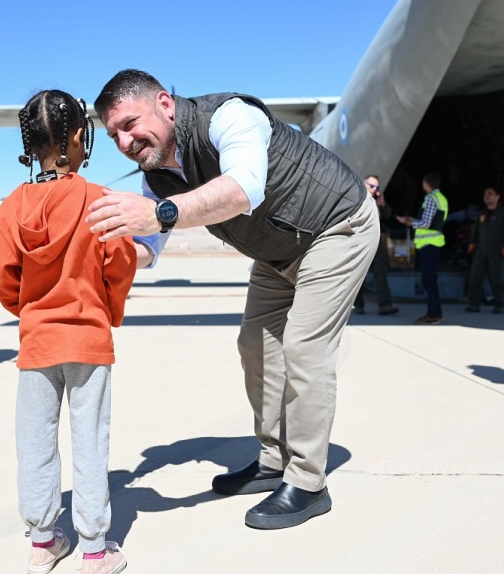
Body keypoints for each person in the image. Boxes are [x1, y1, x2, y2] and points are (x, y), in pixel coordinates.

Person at [88, 70, 378, 530]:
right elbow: (148, 248)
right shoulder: (157, 178)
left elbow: (244, 188)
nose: (124, 141)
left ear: (164, 103)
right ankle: (272, 460)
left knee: (304, 348)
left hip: (335, 227)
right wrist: (99, 254)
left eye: (128, 123)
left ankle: (307, 482)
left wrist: (160, 214)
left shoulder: (228, 116)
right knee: (256, 347)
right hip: (277, 250)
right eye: (112, 135)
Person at [0, 90, 135, 574]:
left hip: (37, 341)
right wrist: (106, 312)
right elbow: (120, 265)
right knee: (91, 441)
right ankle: (95, 549)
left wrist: (27, 310)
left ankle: (42, 541)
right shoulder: (99, 201)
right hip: (88, 339)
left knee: (34, 441)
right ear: (78, 137)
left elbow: (2, 275)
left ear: (30, 143)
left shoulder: (12, 206)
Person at [397, 173, 448, 324]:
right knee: (431, 280)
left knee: (429, 281)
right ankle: (435, 313)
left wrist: (410, 223)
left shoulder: (431, 199)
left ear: (426, 184)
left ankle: (433, 315)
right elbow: (433, 221)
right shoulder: (441, 199)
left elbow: (425, 224)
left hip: (428, 244)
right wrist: (412, 220)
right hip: (434, 243)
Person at [354, 175, 399, 316]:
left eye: (377, 187)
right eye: (372, 186)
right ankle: (358, 304)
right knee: (357, 274)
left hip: (375, 239)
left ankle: (385, 305)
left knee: (380, 272)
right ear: (364, 184)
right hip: (360, 239)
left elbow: (388, 216)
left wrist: (382, 203)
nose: (375, 190)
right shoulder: (356, 198)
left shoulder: (376, 200)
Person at [465, 187, 504, 314]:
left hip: (497, 251)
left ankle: (499, 305)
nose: (487, 197)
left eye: (490, 194)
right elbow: (475, 232)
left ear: (497, 197)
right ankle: (474, 304)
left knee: (497, 279)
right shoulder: (482, 213)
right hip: (481, 251)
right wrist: (472, 244)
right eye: (485, 194)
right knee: (475, 278)